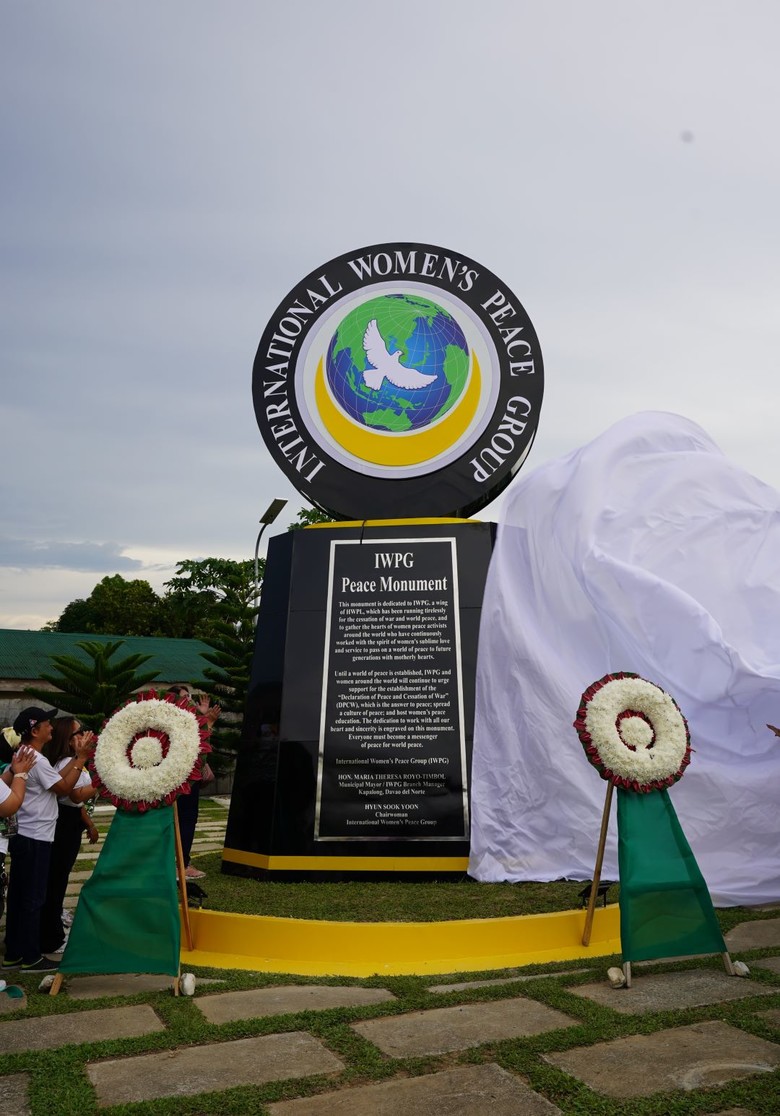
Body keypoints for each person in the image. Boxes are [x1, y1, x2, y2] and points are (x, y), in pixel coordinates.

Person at [1, 707, 93, 972]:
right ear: (34, 730)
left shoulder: (25, 754)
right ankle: (31, 956)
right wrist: (80, 758)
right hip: (35, 835)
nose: (51, 727)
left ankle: (14, 952)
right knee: (33, 897)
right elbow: (63, 789)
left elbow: (56, 783)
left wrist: (76, 760)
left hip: (25, 834)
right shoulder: (36, 759)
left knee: (19, 895)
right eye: (46, 723)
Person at [39, 717, 100, 955]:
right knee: (56, 879)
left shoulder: (71, 761)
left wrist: (88, 824)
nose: (85, 736)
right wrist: (103, 782)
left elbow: (76, 802)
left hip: (69, 820)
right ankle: (51, 937)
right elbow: (75, 795)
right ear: (68, 739)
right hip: (63, 824)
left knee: (58, 878)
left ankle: (52, 927)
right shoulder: (69, 762)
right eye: (79, 733)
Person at [167, 685, 219, 880]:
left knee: (182, 821)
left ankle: (180, 862)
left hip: (186, 779)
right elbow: (198, 749)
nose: (190, 700)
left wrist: (202, 718)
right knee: (184, 820)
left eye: (189, 696)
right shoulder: (176, 722)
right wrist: (208, 724)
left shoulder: (184, 719)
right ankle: (182, 864)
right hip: (182, 780)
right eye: (185, 697)